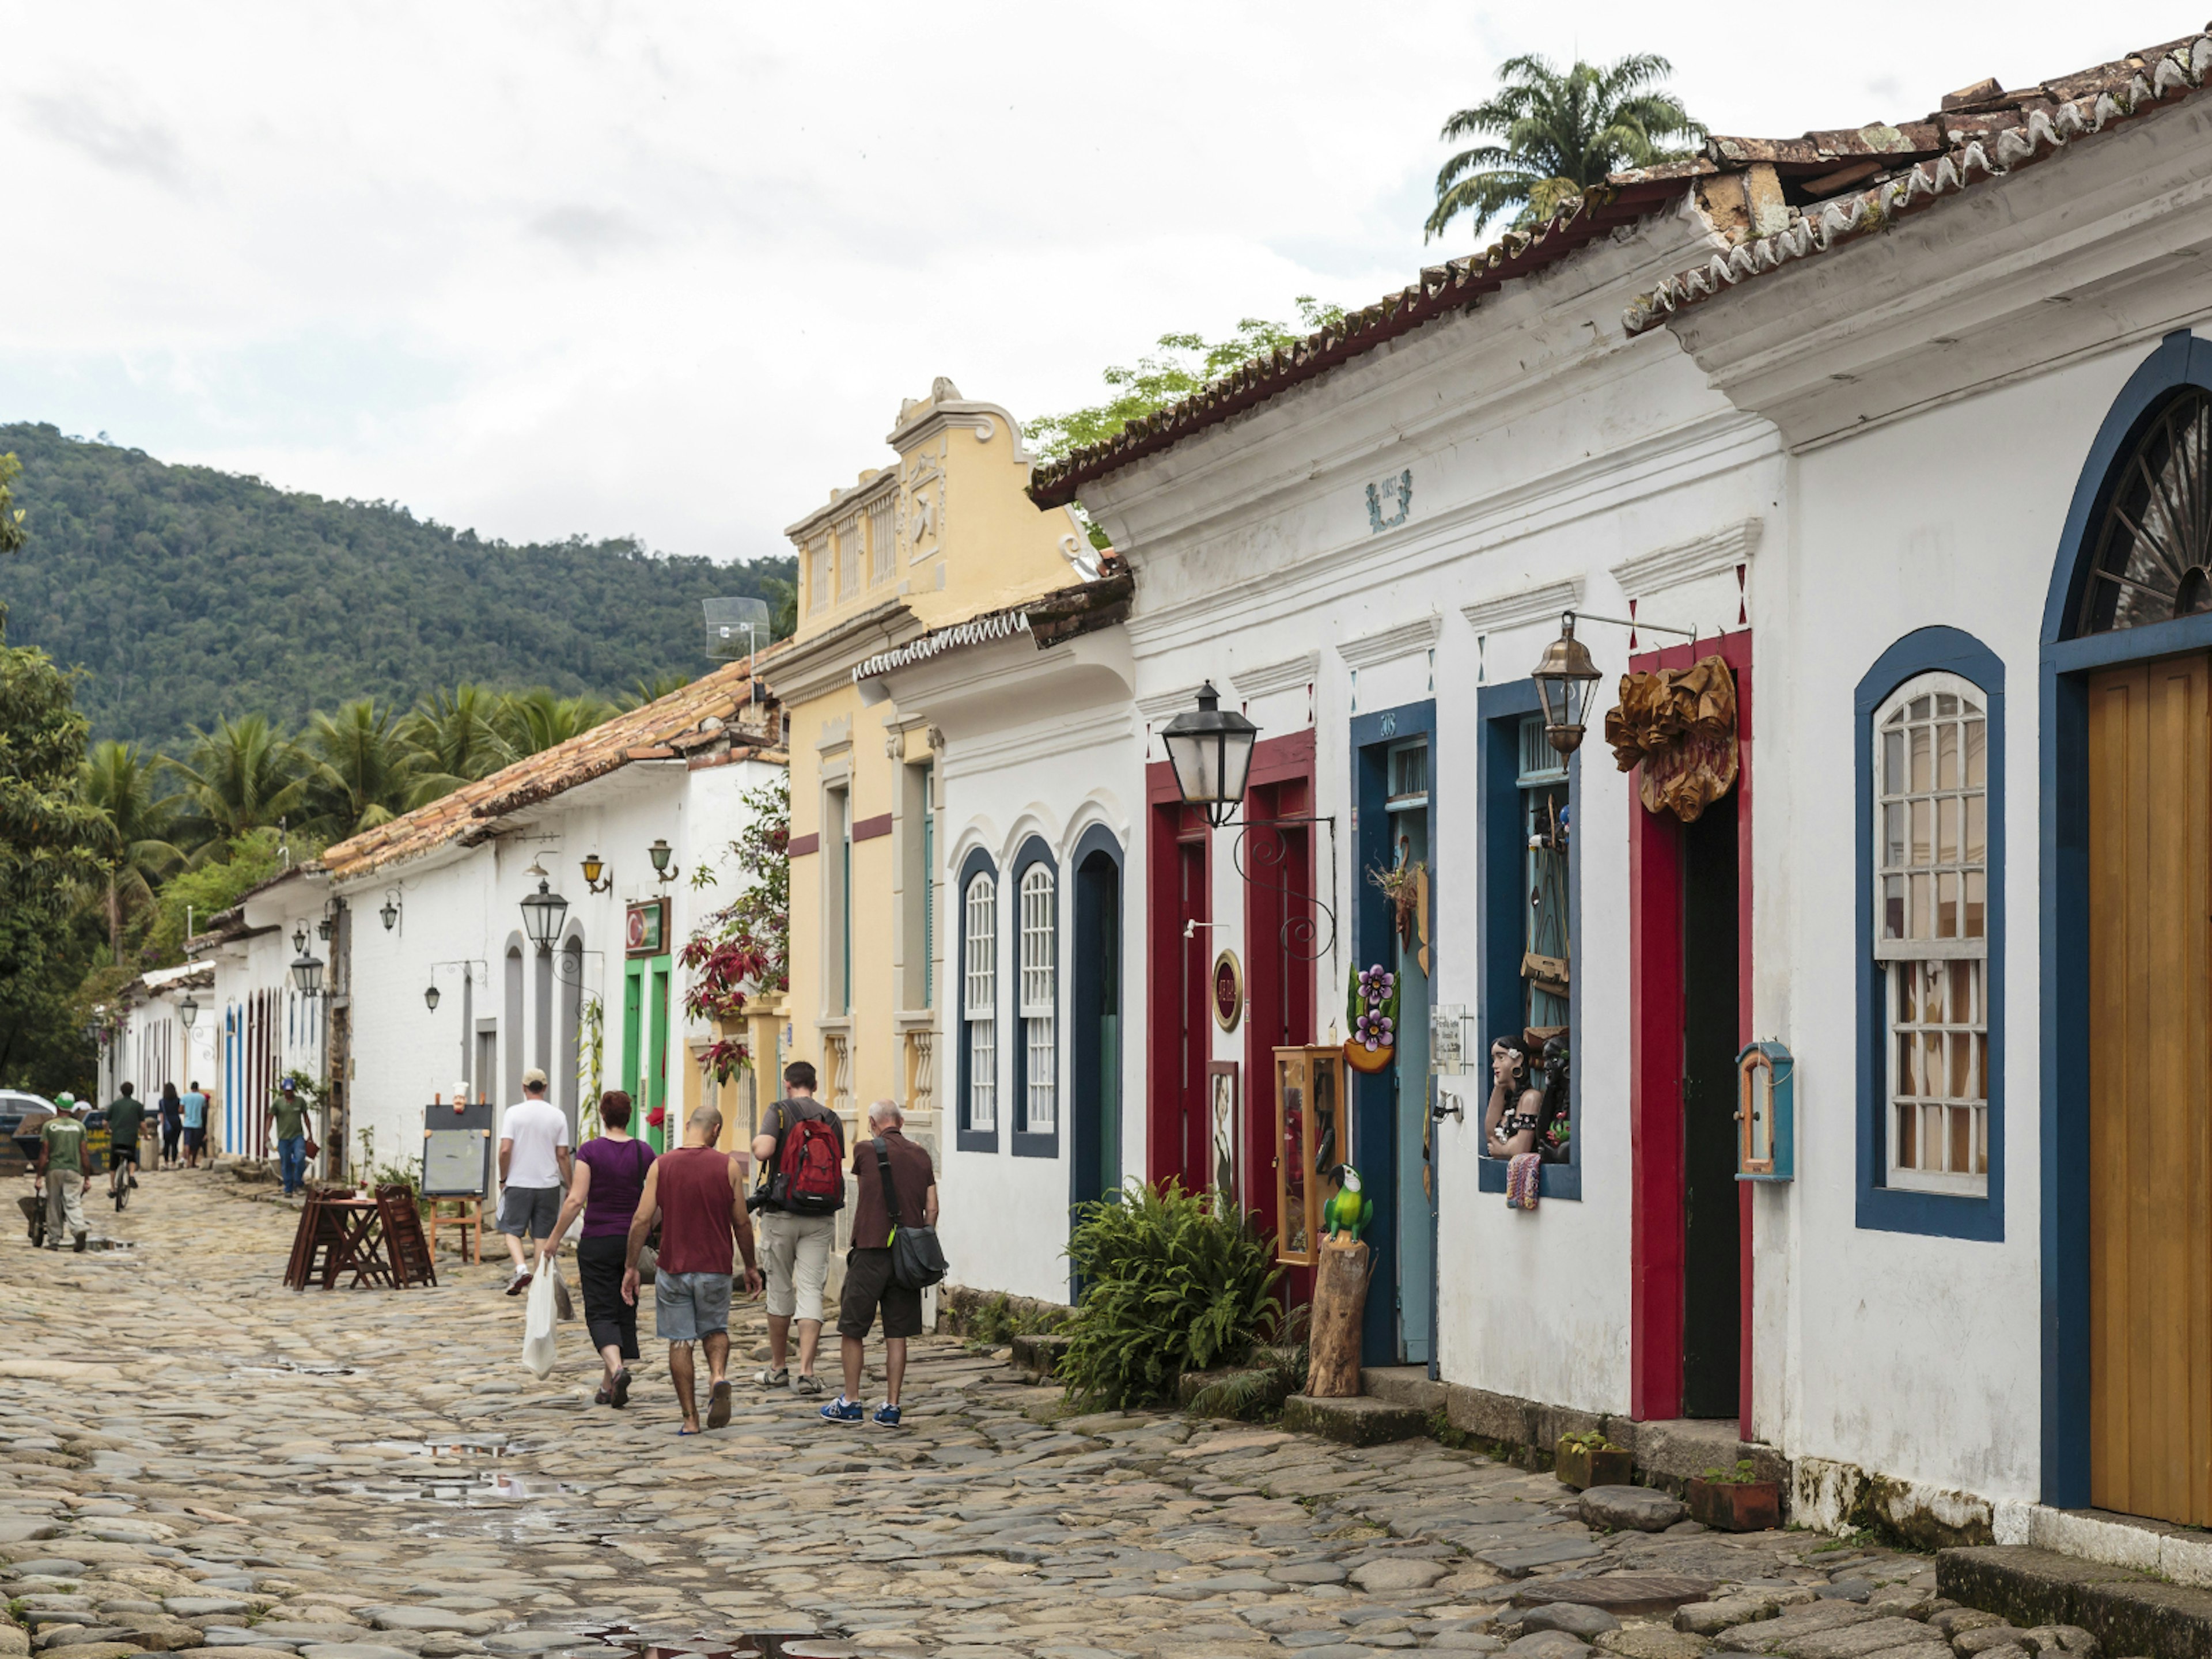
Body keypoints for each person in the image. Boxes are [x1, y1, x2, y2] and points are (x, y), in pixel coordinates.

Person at [622, 1103, 762, 1434]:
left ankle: (691, 1419)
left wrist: (631, 1266)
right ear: (715, 1130)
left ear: (688, 1126)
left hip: (674, 1268)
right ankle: (717, 1377)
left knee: (680, 1342)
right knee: (715, 1330)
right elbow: (741, 1222)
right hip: (715, 1268)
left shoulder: (661, 1166)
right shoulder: (727, 1167)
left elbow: (642, 1219)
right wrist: (752, 1266)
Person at [823, 1099, 936, 1427]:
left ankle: (851, 1401)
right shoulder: (921, 1155)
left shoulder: (865, 1150)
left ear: (873, 1123)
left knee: (853, 1327)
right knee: (896, 1332)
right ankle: (892, 1406)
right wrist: (920, 1238)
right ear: (901, 1121)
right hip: (907, 1255)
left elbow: (866, 1190)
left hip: (871, 1248)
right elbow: (933, 1208)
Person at [544, 1090, 654, 1408]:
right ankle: (609, 1386)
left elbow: (576, 1199)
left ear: (603, 1116)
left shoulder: (591, 1152)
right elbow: (657, 1198)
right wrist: (649, 1227)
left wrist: (553, 1239)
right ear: (629, 1116)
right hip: (631, 1242)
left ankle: (617, 1369)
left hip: (597, 1241)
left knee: (601, 1312)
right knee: (624, 1307)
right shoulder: (643, 1152)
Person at [749, 1059, 844, 1396]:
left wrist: (757, 1143)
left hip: (781, 1214)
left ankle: (778, 1368)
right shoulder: (831, 1117)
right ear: (815, 1086)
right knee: (810, 1291)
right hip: (819, 1217)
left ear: (787, 1084)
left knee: (780, 1290)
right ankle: (807, 1371)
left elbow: (764, 1151)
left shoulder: (778, 1111)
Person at [498, 1068, 572, 1294]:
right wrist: (570, 1184)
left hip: (519, 1182)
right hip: (548, 1185)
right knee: (542, 1236)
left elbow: (505, 1150)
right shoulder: (558, 1116)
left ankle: (521, 1268)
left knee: (511, 1229)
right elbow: (562, 1155)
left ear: (524, 1087)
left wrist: (503, 1178)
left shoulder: (513, 1114)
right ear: (546, 1087)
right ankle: (539, 1286)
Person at [36, 1097, 90, 1252]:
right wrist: (87, 1177)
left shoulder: (50, 1126)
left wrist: (39, 1176)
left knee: (53, 1204)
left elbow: (45, 1152)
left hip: (54, 1169)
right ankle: (78, 1228)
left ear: (58, 1107)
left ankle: (54, 1240)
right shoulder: (80, 1127)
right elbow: (84, 1153)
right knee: (73, 1202)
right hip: (74, 1170)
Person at [269, 1078, 312, 1197]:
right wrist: (266, 1134)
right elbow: (270, 1118)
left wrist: (310, 1134)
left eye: (291, 1090)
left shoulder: (300, 1102)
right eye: (287, 1091)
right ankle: (288, 1188)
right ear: (283, 1090)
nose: (289, 1093)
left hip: (297, 1136)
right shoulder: (278, 1103)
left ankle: (298, 1183)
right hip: (283, 1138)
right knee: (286, 1162)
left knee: (300, 1158)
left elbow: (306, 1117)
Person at [104, 1083, 145, 1203]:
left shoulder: (115, 1105)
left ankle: (112, 1188)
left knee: (113, 1164)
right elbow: (143, 1124)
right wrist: (146, 1135)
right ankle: (131, 1175)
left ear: (121, 1091)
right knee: (132, 1158)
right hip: (130, 1139)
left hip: (117, 1139)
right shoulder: (137, 1105)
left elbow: (105, 1122)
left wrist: (108, 1131)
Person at [180, 1081, 210, 1169]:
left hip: (187, 1123)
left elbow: (181, 1110)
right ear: (198, 1088)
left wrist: (187, 1112)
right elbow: (203, 1110)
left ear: (191, 1088)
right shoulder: (202, 1098)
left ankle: (187, 1161)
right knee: (196, 1144)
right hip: (198, 1124)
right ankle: (193, 1162)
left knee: (187, 1143)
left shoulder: (185, 1097)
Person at [157, 1082, 182, 1169]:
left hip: (168, 1123)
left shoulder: (162, 1102)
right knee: (175, 1144)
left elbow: (162, 1115)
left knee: (166, 1144)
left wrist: (163, 1125)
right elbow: (180, 1111)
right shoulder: (178, 1100)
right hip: (177, 1122)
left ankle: (166, 1162)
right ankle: (174, 1162)